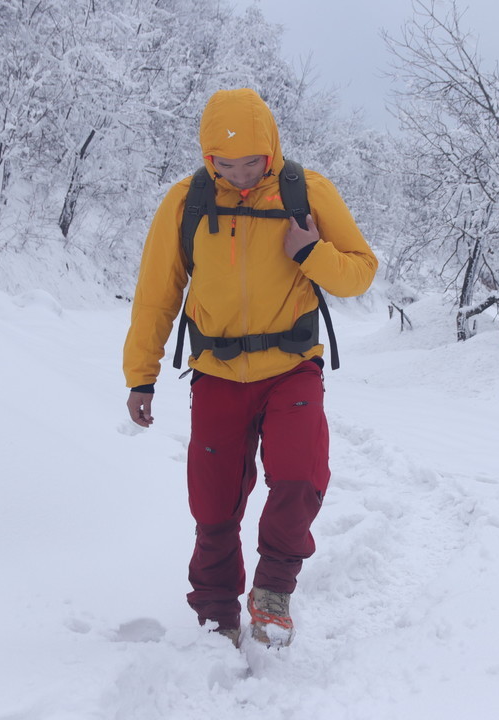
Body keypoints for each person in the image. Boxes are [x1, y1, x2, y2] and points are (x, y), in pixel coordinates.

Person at [123, 88, 378, 647]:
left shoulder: (305, 192)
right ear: (208, 157)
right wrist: (141, 375)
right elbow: (157, 292)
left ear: (272, 149)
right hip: (217, 369)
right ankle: (216, 611)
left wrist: (311, 252)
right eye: (225, 163)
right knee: (212, 501)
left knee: (300, 476)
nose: (239, 175)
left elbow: (360, 273)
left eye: (251, 162)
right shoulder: (186, 201)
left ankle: (272, 592)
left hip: (292, 367)